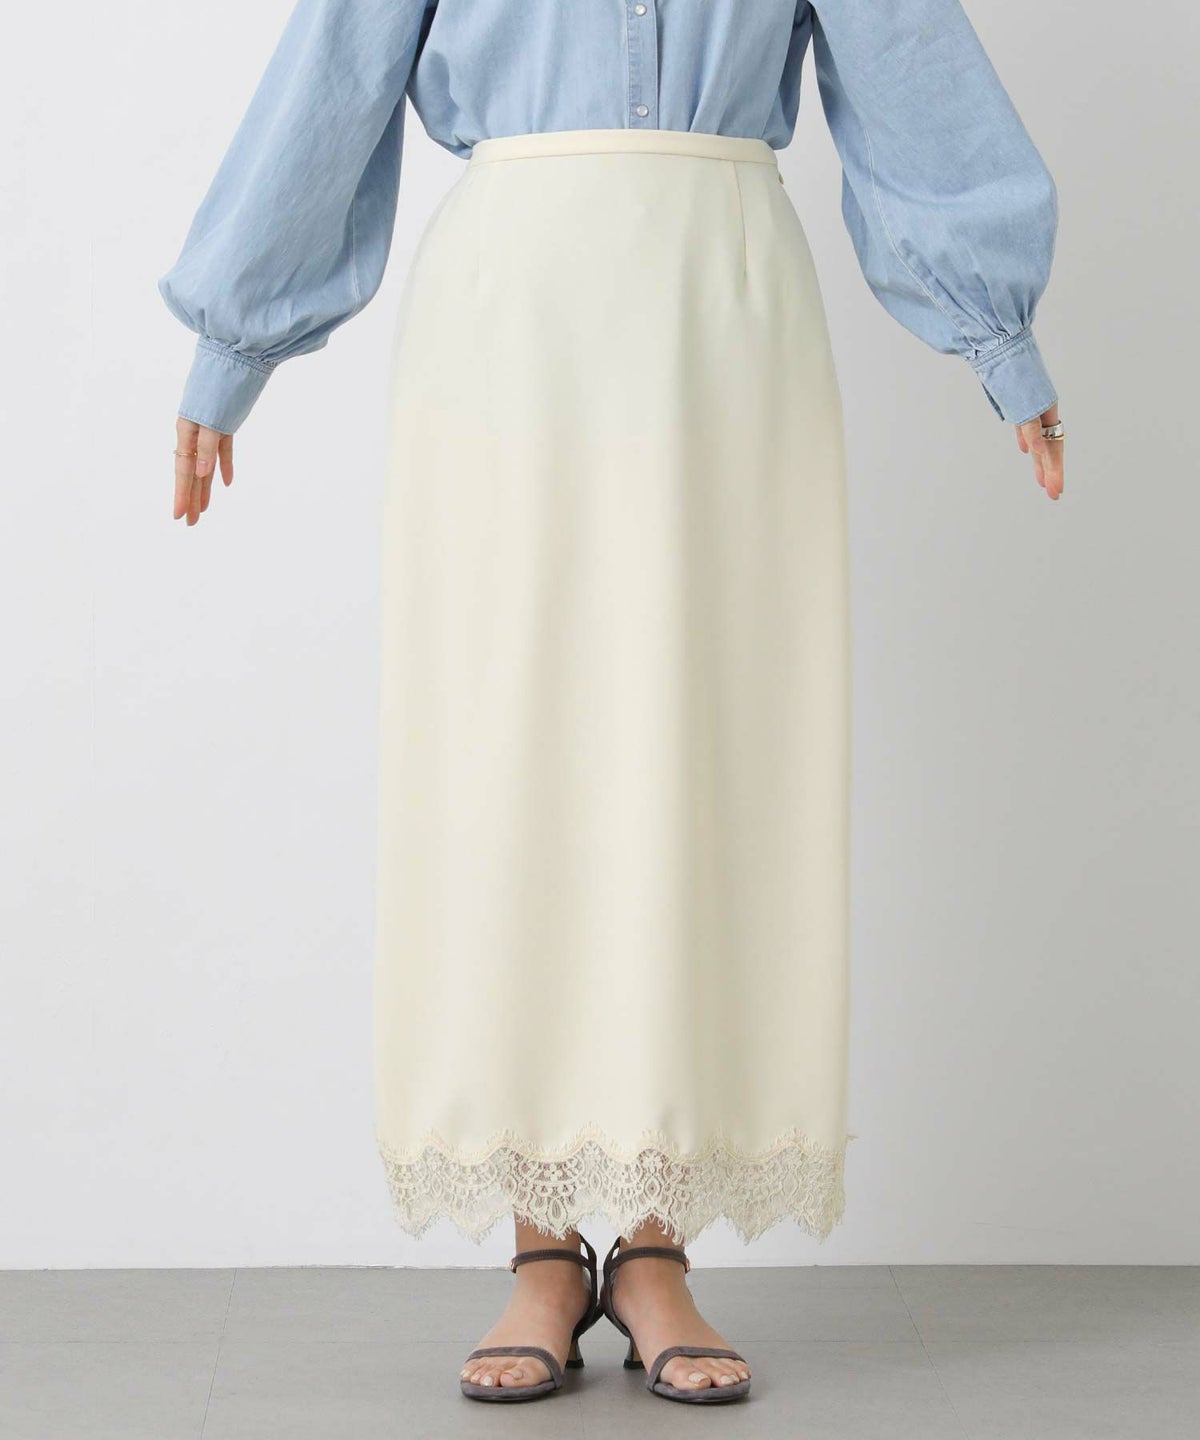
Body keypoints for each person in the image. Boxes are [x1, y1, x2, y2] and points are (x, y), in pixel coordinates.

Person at [158, 0, 1065, 1408]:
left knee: (702, 761)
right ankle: (540, 1241)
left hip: (721, 312)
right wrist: (233, 344)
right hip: (512, 319)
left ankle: (652, 1244)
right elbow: (338, 64)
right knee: (507, 760)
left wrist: (999, 342)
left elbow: (905, 57)